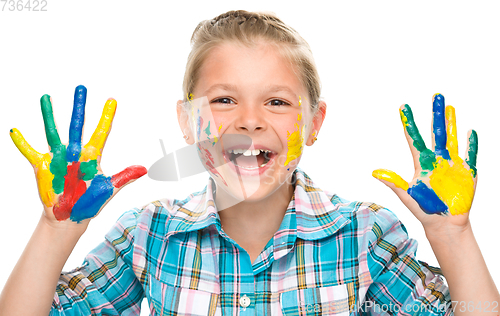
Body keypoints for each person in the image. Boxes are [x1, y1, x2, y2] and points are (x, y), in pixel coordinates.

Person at [0, 9, 498, 316]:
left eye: (277, 103)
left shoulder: (363, 234)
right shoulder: (149, 235)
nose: (250, 121)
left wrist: (453, 236)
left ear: (315, 122)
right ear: (188, 120)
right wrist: (55, 228)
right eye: (223, 101)